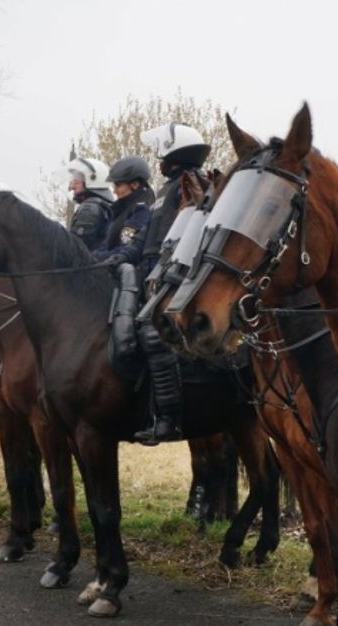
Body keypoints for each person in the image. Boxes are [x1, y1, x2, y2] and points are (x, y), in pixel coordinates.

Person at [123, 123, 212, 445]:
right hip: (152, 269)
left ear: (172, 152)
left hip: (177, 273)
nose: (157, 157)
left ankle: (169, 419)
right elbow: (148, 236)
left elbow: (196, 230)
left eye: (161, 150)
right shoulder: (166, 189)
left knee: (154, 336)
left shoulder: (193, 183)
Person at [93, 155, 154, 265]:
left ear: (135, 185)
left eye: (118, 185)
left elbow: (125, 246)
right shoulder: (119, 210)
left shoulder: (141, 211)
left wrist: (96, 258)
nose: (114, 191)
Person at [65, 156, 113, 251]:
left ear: (94, 181)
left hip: (88, 264)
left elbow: (75, 248)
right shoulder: (100, 206)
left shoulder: (89, 208)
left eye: (76, 183)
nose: (72, 187)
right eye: (72, 182)